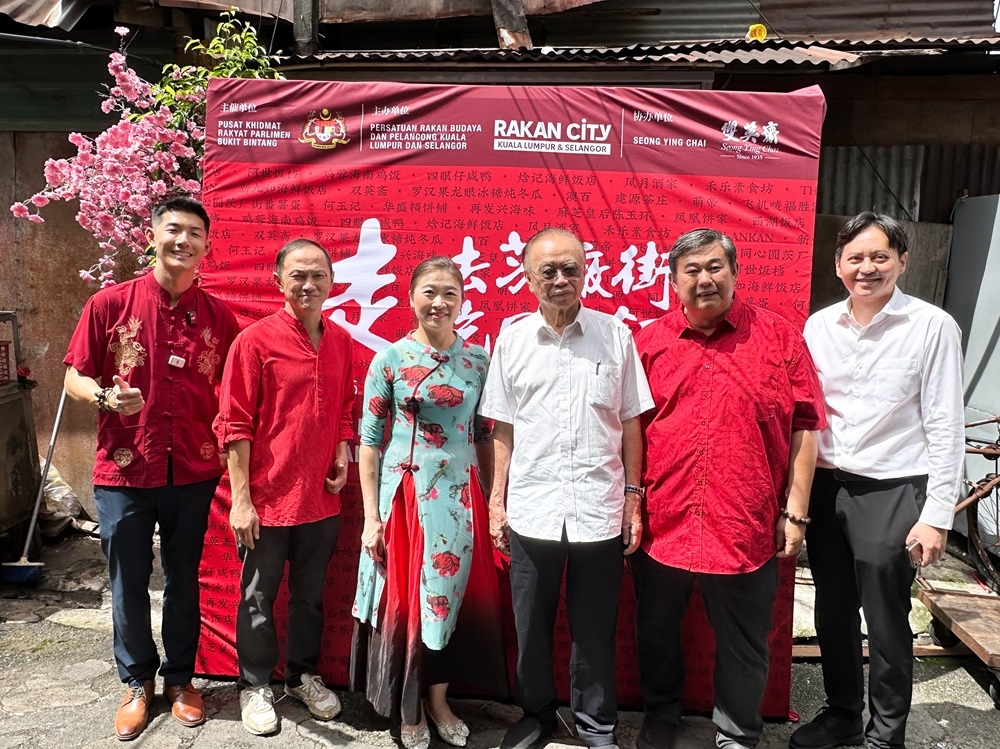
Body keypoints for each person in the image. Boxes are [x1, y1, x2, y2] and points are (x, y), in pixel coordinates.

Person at [632, 228, 826, 749]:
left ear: (736, 273)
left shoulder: (780, 338)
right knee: (655, 630)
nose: (705, 279)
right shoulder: (648, 343)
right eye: (691, 270)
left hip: (746, 518)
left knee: (744, 641)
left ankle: (738, 732)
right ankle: (661, 714)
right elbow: (624, 429)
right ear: (673, 281)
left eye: (715, 267)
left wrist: (797, 510)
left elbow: (806, 423)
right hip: (662, 518)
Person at [63, 196, 240, 741]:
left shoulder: (219, 318)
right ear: (152, 235)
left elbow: (235, 394)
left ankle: (180, 679)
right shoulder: (109, 305)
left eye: (194, 233)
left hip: (194, 468)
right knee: (128, 581)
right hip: (124, 468)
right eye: (173, 230)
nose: (183, 241)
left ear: (207, 246)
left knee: (185, 580)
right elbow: (74, 376)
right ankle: (136, 682)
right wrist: (103, 399)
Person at [789, 213, 964, 749]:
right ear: (838, 265)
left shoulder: (932, 326)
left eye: (880, 257)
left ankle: (886, 734)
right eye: (856, 258)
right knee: (832, 609)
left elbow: (945, 422)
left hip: (892, 488)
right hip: (827, 483)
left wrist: (937, 514)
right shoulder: (819, 326)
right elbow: (807, 412)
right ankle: (842, 713)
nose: (868, 268)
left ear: (902, 262)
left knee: (886, 620)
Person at [479, 228, 653, 749]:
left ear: (586, 271)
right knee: (531, 628)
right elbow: (502, 429)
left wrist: (632, 498)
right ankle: (535, 715)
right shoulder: (512, 340)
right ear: (528, 277)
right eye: (548, 271)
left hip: (599, 512)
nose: (560, 279)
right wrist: (496, 500)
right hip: (531, 509)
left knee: (594, 630)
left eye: (570, 269)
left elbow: (629, 425)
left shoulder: (615, 336)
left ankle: (596, 724)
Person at [351, 256, 507, 749]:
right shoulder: (390, 359)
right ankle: (409, 705)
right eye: (429, 292)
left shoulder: (480, 361)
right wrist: (370, 517)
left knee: (447, 601)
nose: (439, 302)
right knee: (409, 603)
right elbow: (371, 441)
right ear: (411, 297)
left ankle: (439, 700)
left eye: (450, 293)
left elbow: (486, 435)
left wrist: (491, 498)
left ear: (463, 301)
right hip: (403, 500)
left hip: (459, 501)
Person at [214, 239, 355, 736]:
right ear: (278, 282)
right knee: (257, 596)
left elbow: (342, 410)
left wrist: (341, 450)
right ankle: (254, 685)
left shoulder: (340, 342)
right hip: (267, 501)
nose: (309, 284)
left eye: (318, 275)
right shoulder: (254, 342)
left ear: (332, 282)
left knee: (310, 597)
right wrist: (242, 502)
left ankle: (303, 676)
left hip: (320, 498)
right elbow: (233, 424)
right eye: (298, 275)